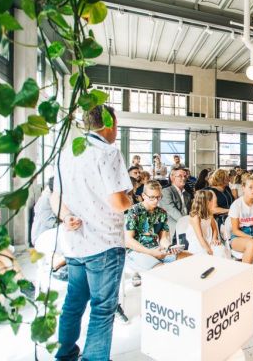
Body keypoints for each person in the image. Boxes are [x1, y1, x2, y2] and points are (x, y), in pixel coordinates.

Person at [53, 105, 132, 361]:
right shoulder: (108, 152)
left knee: (74, 303)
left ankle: (65, 355)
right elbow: (118, 203)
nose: (116, 131)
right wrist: (133, 200)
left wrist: (66, 216)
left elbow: (55, 197)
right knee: (102, 309)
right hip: (104, 243)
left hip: (75, 243)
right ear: (109, 124)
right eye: (116, 125)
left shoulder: (68, 152)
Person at [125, 181, 186, 277]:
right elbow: (128, 241)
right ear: (144, 196)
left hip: (156, 249)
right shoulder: (134, 211)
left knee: (188, 258)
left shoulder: (161, 212)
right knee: (163, 271)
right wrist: (151, 253)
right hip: (136, 251)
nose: (156, 201)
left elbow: (163, 238)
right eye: (152, 197)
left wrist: (169, 247)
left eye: (158, 197)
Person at [31, 178, 67, 279]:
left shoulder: (55, 198)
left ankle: (63, 261)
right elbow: (50, 222)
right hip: (43, 235)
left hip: (53, 234)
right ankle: (60, 262)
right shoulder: (45, 200)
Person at [185, 190, 227, 257]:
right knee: (208, 255)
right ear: (206, 202)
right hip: (198, 242)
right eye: (211, 200)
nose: (213, 202)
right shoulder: (195, 217)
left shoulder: (209, 213)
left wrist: (214, 239)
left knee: (221, 250)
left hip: (209, 239)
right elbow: (200, 237)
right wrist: (208, 249)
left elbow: (214, 229)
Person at [159, 167, 193, 242]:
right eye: (180, 176)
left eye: (185, 176)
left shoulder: (187, 194)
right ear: (172, 178)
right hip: (173, 228)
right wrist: (188, 223)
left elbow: (190, 211)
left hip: (187, 227)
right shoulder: (166, 191)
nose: (183, 178)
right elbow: (172, 210)